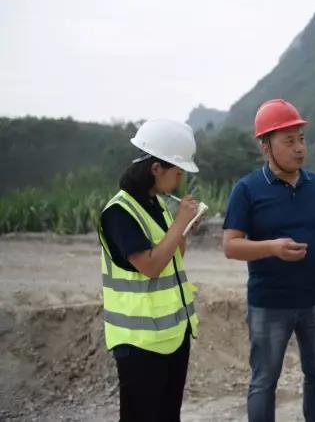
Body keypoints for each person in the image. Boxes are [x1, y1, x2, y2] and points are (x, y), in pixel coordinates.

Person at [222, 99, 315, 422]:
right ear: (265, 146)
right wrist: (272, 248)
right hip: (269, 303)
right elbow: (231, 246)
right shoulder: (247, 190)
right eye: (289, 141)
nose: (299, 148)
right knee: (264, 381)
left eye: (301, 139)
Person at [98, 119, 202, 422]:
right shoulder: (119, 212)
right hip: (139, 342)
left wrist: (184, 228)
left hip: (172, 335)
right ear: (156, 168)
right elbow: (151, 266)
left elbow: (175, 256)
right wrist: (180, 223)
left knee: (168, 415)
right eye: (178, 172)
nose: (179, 180)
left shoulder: (156, 204)